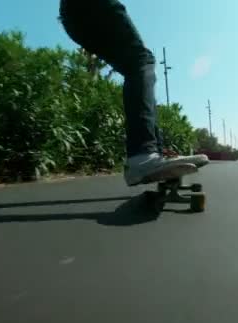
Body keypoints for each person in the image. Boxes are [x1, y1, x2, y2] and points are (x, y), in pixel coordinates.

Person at [58, 0, 208, 186]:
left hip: (73, 16)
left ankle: (152, 152)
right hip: (92, 7)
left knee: (137, 64)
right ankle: (143, 155)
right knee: (141, 61)